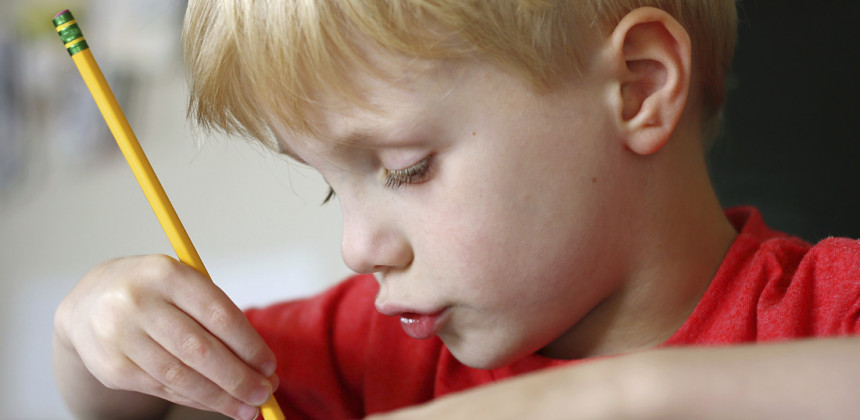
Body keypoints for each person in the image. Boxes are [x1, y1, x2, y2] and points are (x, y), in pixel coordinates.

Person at [53, 1, 860, 419]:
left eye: (407, 168)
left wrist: (603, 398)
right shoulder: (377, 351)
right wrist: (93, 332)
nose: (357, 246)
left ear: (638, 88)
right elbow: (146, 405)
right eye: (334, 185)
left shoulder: (831, 311)